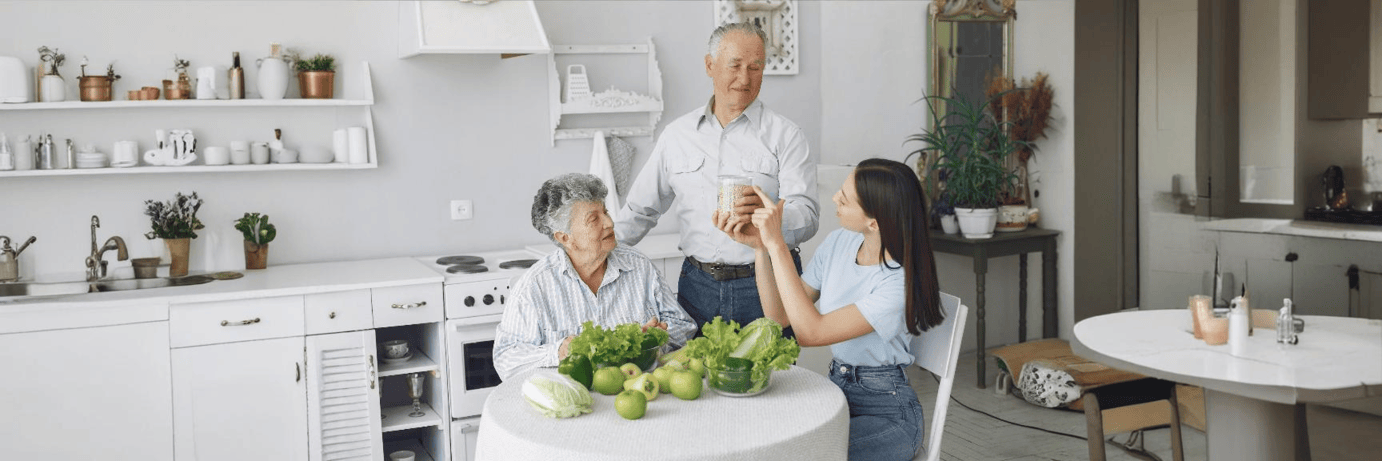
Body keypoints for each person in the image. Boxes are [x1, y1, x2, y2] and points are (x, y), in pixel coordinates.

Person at [714, 158, 944, 461]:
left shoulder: (896, 285)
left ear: (874, 222)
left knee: (806, 454)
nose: (835, 198)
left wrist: (778, 244)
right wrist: (761, 247)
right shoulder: (839, 242)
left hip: (889, 413)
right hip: (837, 393)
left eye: (845, 199)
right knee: (766, 441)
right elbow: (779, 316)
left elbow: (810, 333)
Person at [616, 22, 819, 333]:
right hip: (697, 287)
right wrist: (593, 255)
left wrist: (768, 223)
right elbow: (640, 210)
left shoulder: (786, 135)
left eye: (756, 67)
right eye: (735, 65)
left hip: (769, 286)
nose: (745, 78)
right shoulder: (677, 136)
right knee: (694, 378)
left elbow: (807, 216)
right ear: (710, 65)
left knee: (776, 380)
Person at [493, 173, 697, 380]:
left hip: (636, 391)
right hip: (574, 399)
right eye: (594, 219)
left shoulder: (639, 266)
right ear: (565, 238)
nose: (609, 223)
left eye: (605, 212)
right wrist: (557, 352)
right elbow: (505, 359)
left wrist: (657, 339)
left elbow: (684, 325)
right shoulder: (534, 286)